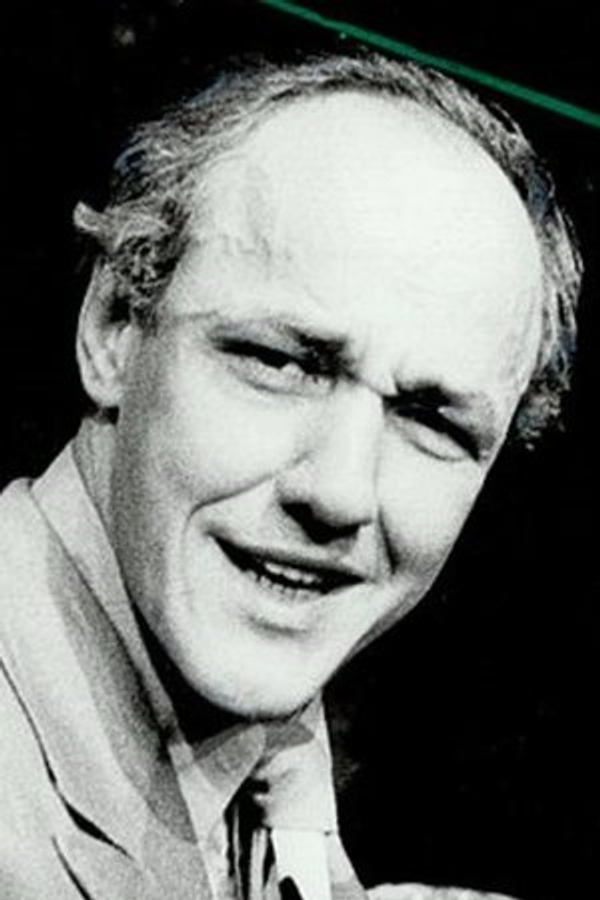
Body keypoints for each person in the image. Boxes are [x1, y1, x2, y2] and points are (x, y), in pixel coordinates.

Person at [0, 52, 581, 900]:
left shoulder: (248, 715)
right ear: (115, 329)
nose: (340, 492)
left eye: (432, 420)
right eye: (280, 362)